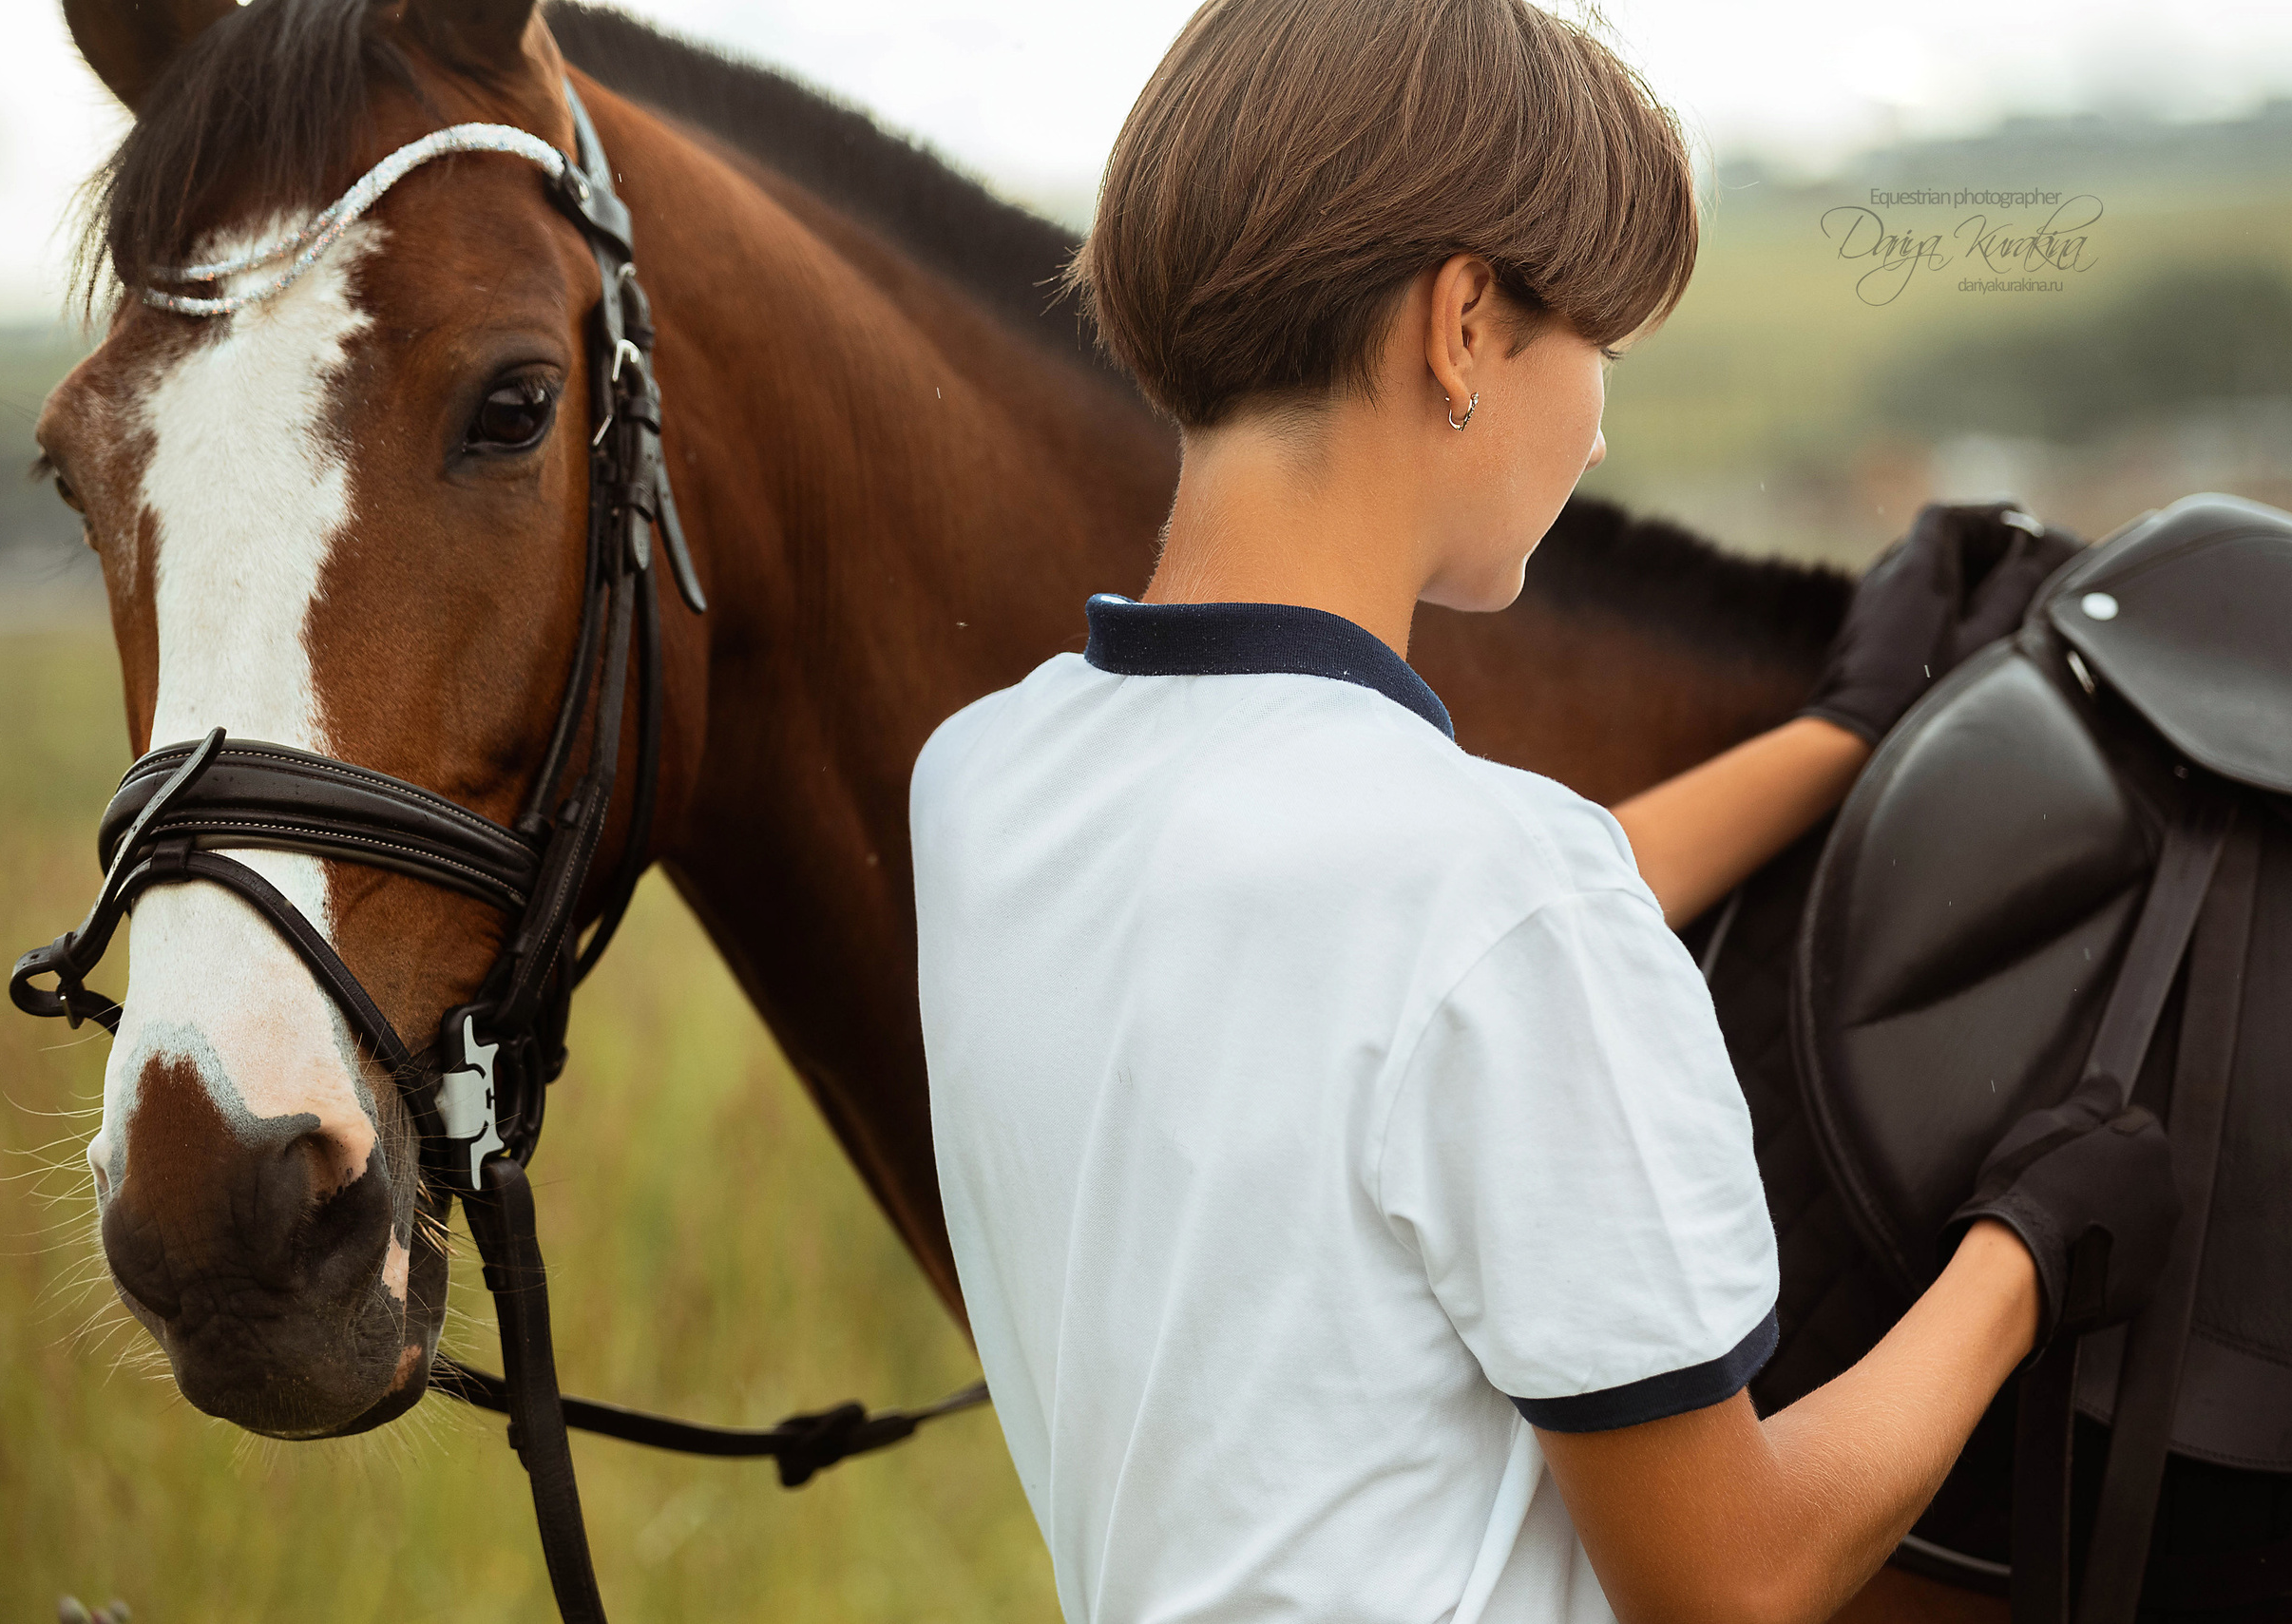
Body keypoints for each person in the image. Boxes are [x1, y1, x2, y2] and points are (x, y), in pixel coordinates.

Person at [908, 3, 2180, 1620]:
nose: (1597, 422)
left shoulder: (983, 782)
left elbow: (1384, 975)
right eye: (1604, 350)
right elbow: (1736, 1577)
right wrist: (2027, 1255)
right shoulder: (1490, 898)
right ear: (1460, 325)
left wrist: (1838, 737)